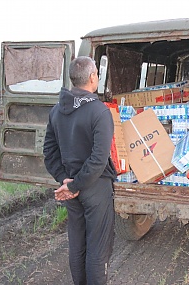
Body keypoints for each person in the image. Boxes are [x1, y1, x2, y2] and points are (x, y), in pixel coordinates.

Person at [43, 56, 117, 285]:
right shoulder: (100, 112)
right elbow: (98, 159)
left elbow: (49, 152)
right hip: (94, 188)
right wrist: (75, 185)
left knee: (77, 245)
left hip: (71, 187)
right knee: (97, 250)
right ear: (93, 77)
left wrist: (65, 181)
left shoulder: (57, 111)